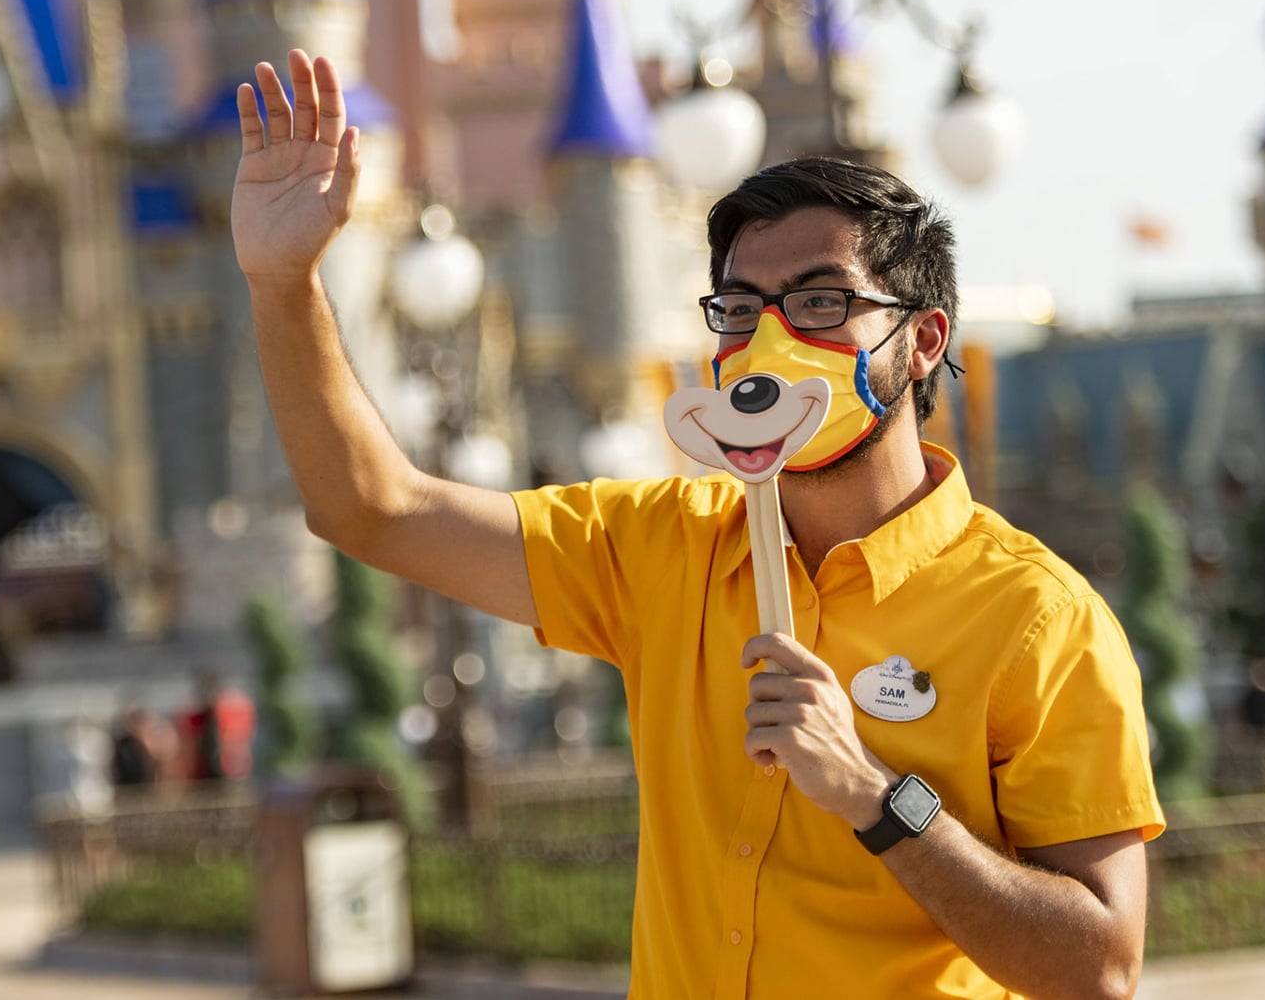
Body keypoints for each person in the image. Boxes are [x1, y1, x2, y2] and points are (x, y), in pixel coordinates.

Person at [227, 52, 1161, 999]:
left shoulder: (1038, 620)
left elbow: (1100, 969)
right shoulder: (660, 548)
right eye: (741, 309)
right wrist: (283, 283)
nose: (770, 342)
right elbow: (371, 510)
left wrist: (877, 797)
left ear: (922, 340)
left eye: (821, 301)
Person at [181, 671, 254, 784]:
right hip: (202, 770)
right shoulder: (197, 717)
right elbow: (190, 746)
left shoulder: (229, 711)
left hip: (230, 768)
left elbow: (237, 740)